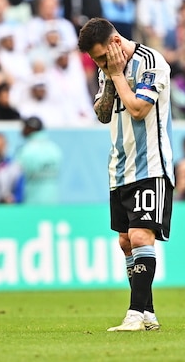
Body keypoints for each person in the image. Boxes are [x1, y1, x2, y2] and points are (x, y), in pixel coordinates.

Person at [77, 17, 175, 332]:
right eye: (96, 61)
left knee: (141, 235)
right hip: (119, 167)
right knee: (126, 242)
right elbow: (103, 114)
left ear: (116, 42)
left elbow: (137, 109)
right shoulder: (107, 70)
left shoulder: (151, 62)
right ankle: (148, 315)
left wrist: (117, 74)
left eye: (103, 57)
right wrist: (109, 74)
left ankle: (134, 314)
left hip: (151, 165)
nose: (102, 65)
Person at [15, 116, 62, 204]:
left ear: (30, 129)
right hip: (52, 202)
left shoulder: (26, 150)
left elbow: (15, 176)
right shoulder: (55, 148)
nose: (22, 129)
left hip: (32, 204)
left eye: (25, 127)